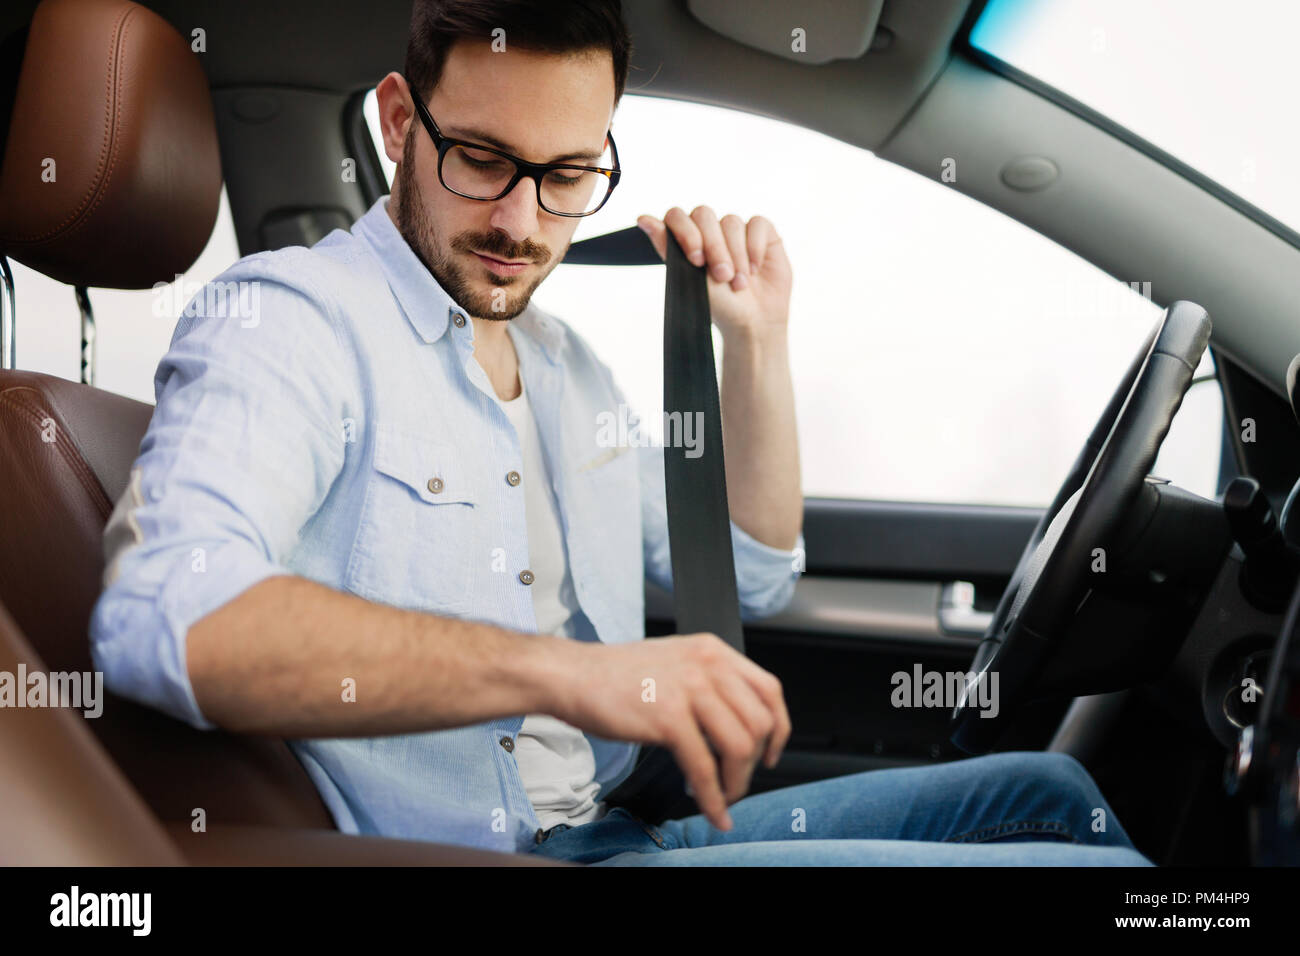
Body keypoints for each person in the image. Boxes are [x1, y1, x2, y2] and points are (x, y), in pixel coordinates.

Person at [90, 0, 1150, 866]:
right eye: (482, 158)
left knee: (1050, 791)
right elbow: (167, 615)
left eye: (564, 176)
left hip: (630, 825)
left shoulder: (563, 364)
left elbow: (753, 569)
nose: (520, 222)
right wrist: (565, 672)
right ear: (400, 122)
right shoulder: (290, 321)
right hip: (501, 855)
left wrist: (755, 343)